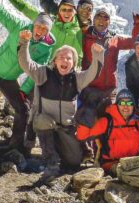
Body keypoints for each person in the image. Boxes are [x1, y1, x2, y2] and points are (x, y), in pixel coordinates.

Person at [0, 0, 56, 156]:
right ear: (34, 24)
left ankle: (15, 144)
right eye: (39, 26)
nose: (40, 31)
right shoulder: (19, 26)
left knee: (23, 109)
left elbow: (37, 69)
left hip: (9, 78)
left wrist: (24, 89)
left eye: (45, 29)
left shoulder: (46, 47)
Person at [18, 29, 104, 183]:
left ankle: (62, 153)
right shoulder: (43, 74)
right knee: (42, 120)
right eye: (61, 57)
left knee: (74, 162)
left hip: (67, 128)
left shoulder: (77, 78)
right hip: (47, 124)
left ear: (73, 63)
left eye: (69, 59)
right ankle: (51, 162)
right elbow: (26, 64)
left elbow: (93, 72)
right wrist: (24, 43)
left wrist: (97, 55)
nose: (65, 61)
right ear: (55, 60)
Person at [76, 89, 139, 200]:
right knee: (131, 170)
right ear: (117, 104)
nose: (126, 106)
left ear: (133, 106)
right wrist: (84, 122)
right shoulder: (107, 121)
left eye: (129, 103)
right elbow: (82, 136)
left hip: (136, 163)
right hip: (113, 164)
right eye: (122, 103)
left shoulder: (136, 123)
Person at [75, 8, 139, 129]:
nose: (101, 20)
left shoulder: (115, 40)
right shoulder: (85, 36)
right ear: (93, 20)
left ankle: (104, 147)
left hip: (109, 90)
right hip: (90, 88)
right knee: (87, 122)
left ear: (109, 22)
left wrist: (137, 25)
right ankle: (86, 146)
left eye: (105, 18)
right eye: (98, 17)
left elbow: (134, 42)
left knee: (107, 123)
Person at [0, 0, 83, 62]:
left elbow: (82, 54)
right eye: (64, 10)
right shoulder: (48, 22)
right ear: (59, 11)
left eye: (70, 10)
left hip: (64, 70)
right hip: (45, 66)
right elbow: (25, 8)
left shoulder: (79, 31)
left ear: (74, 12)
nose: (67, 13)